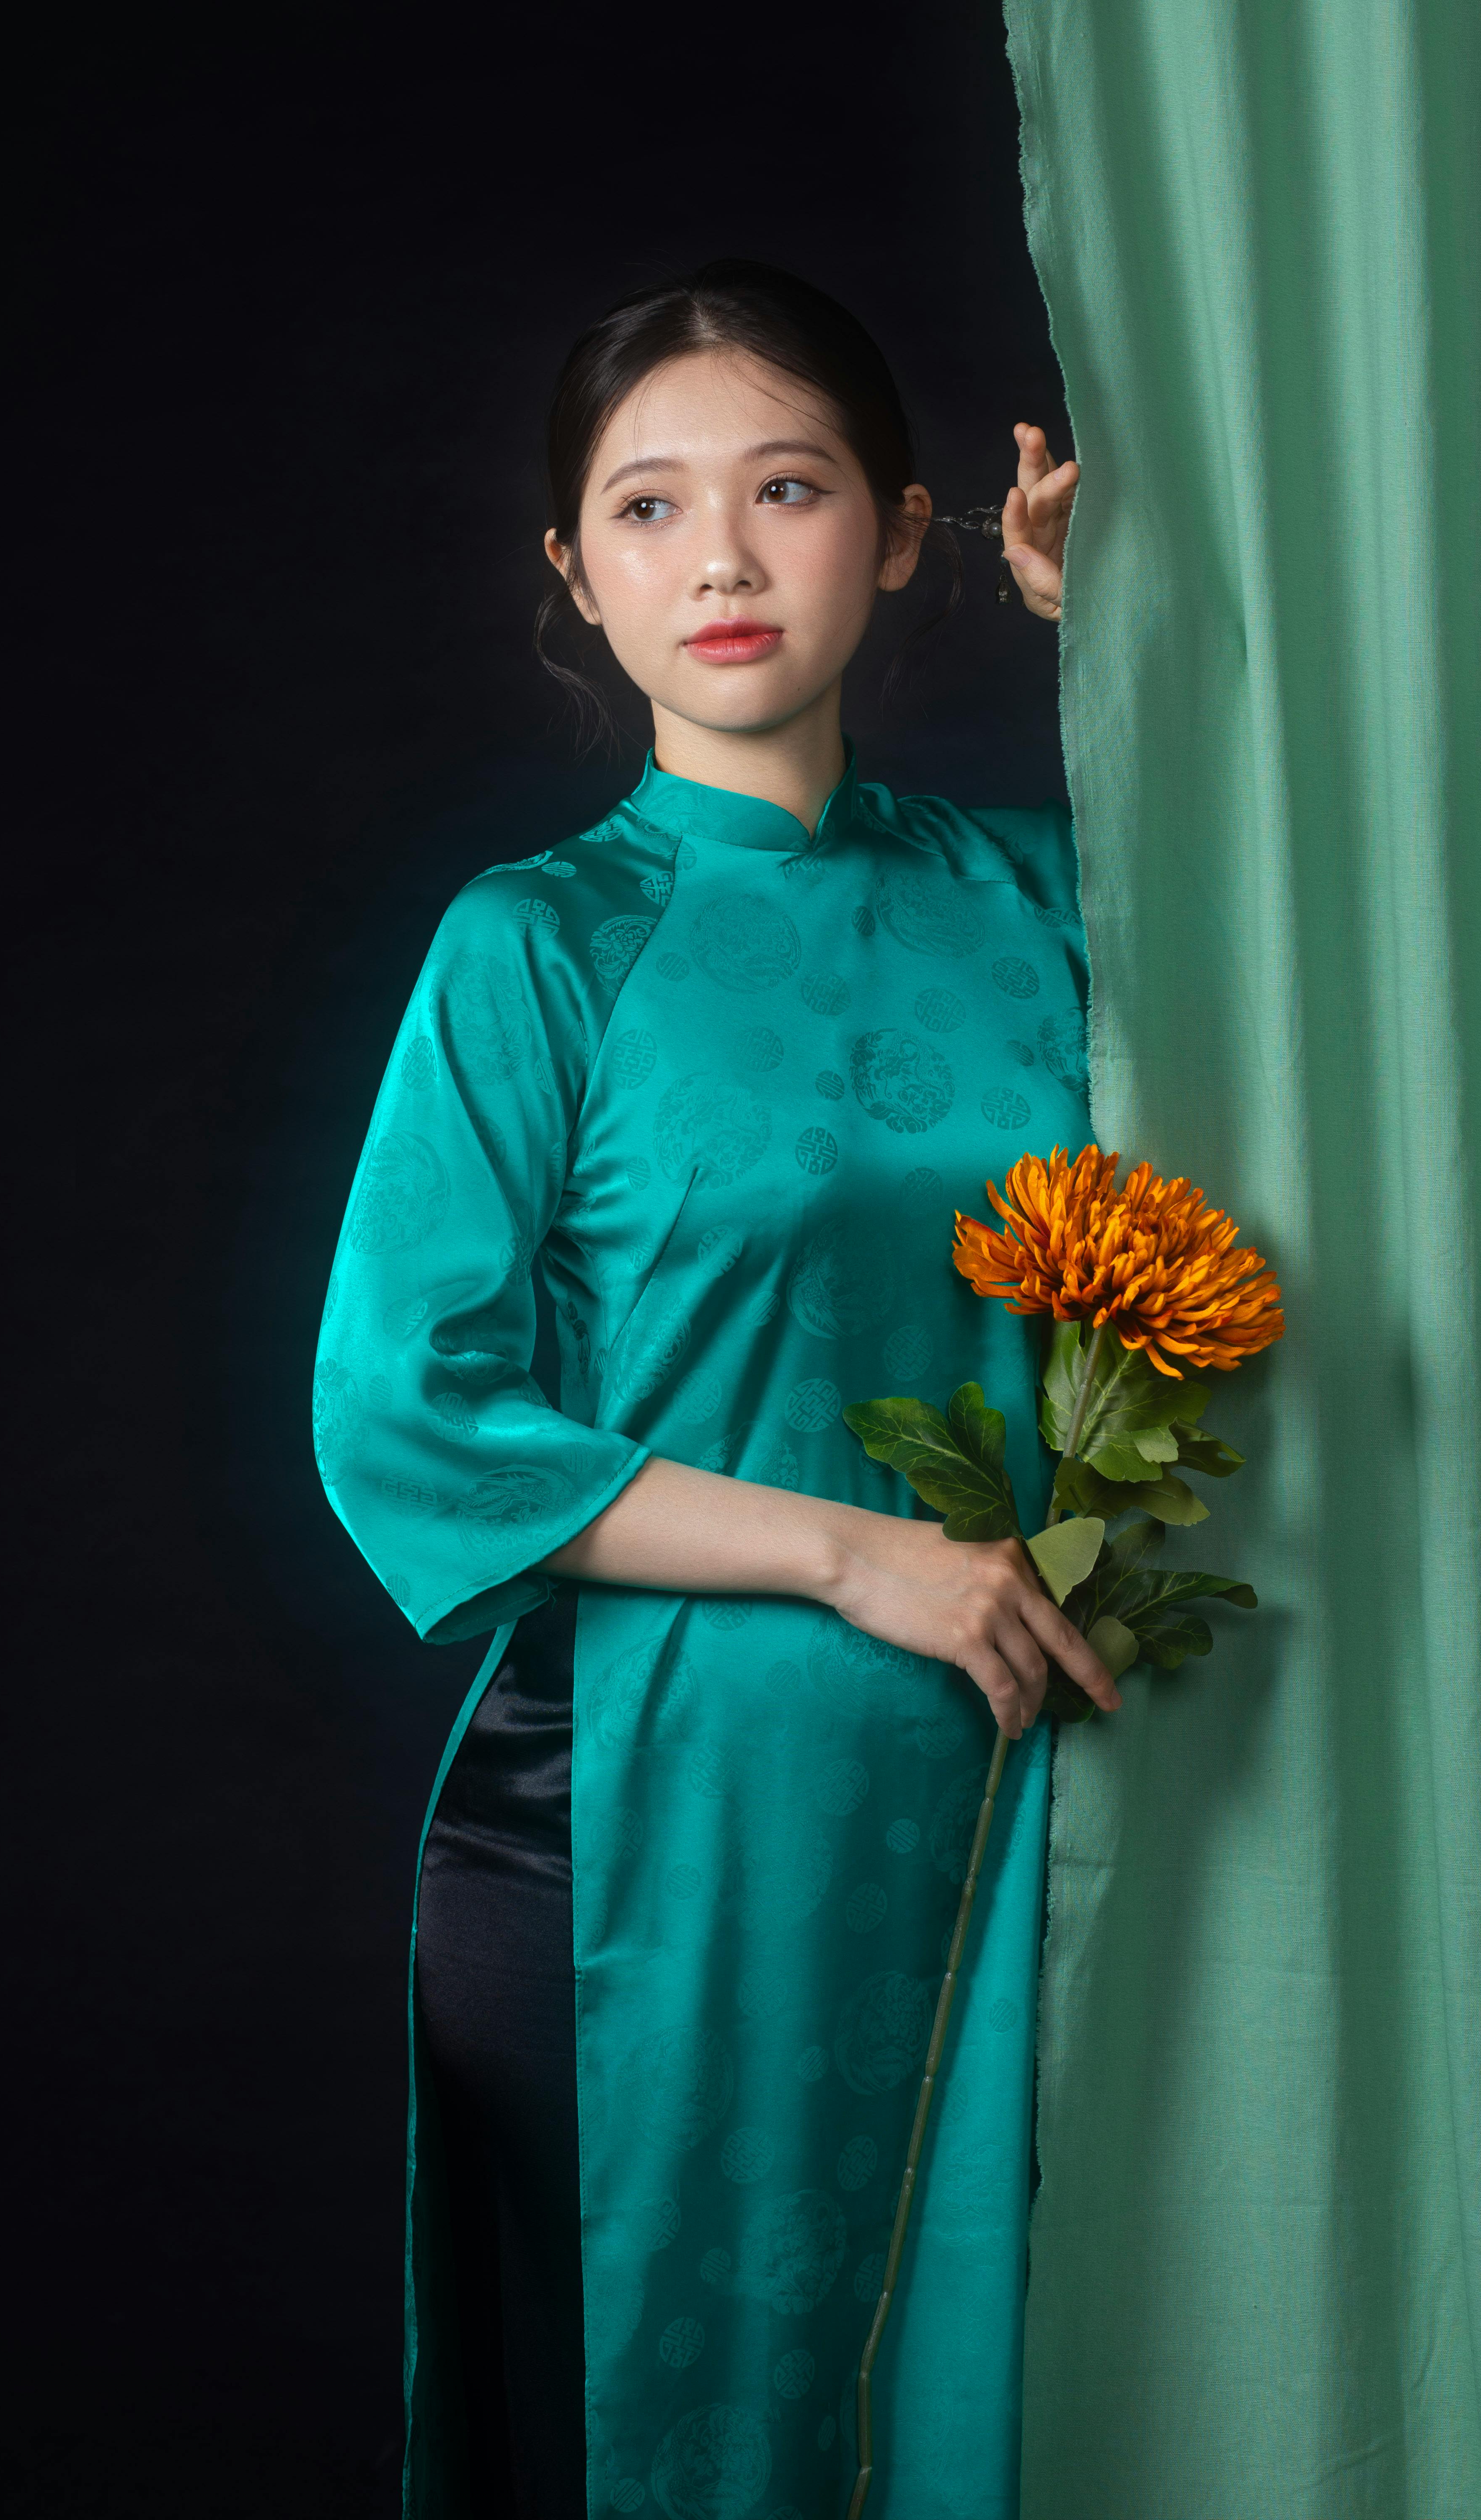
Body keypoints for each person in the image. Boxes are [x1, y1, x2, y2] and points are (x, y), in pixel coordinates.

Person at [313, 259, 1118, 2520]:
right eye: (649, 509)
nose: (726, 559)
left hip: (1017, 1800)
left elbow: (1342, 961)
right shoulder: (541, 945)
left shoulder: (1044, 897)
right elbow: (405, 1411)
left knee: (1011, 2414)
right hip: (646, 1825)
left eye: (790, 488)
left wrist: (1120, 653)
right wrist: (863, 1559)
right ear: (578, 577)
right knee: (716, 2433)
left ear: (908, 530)